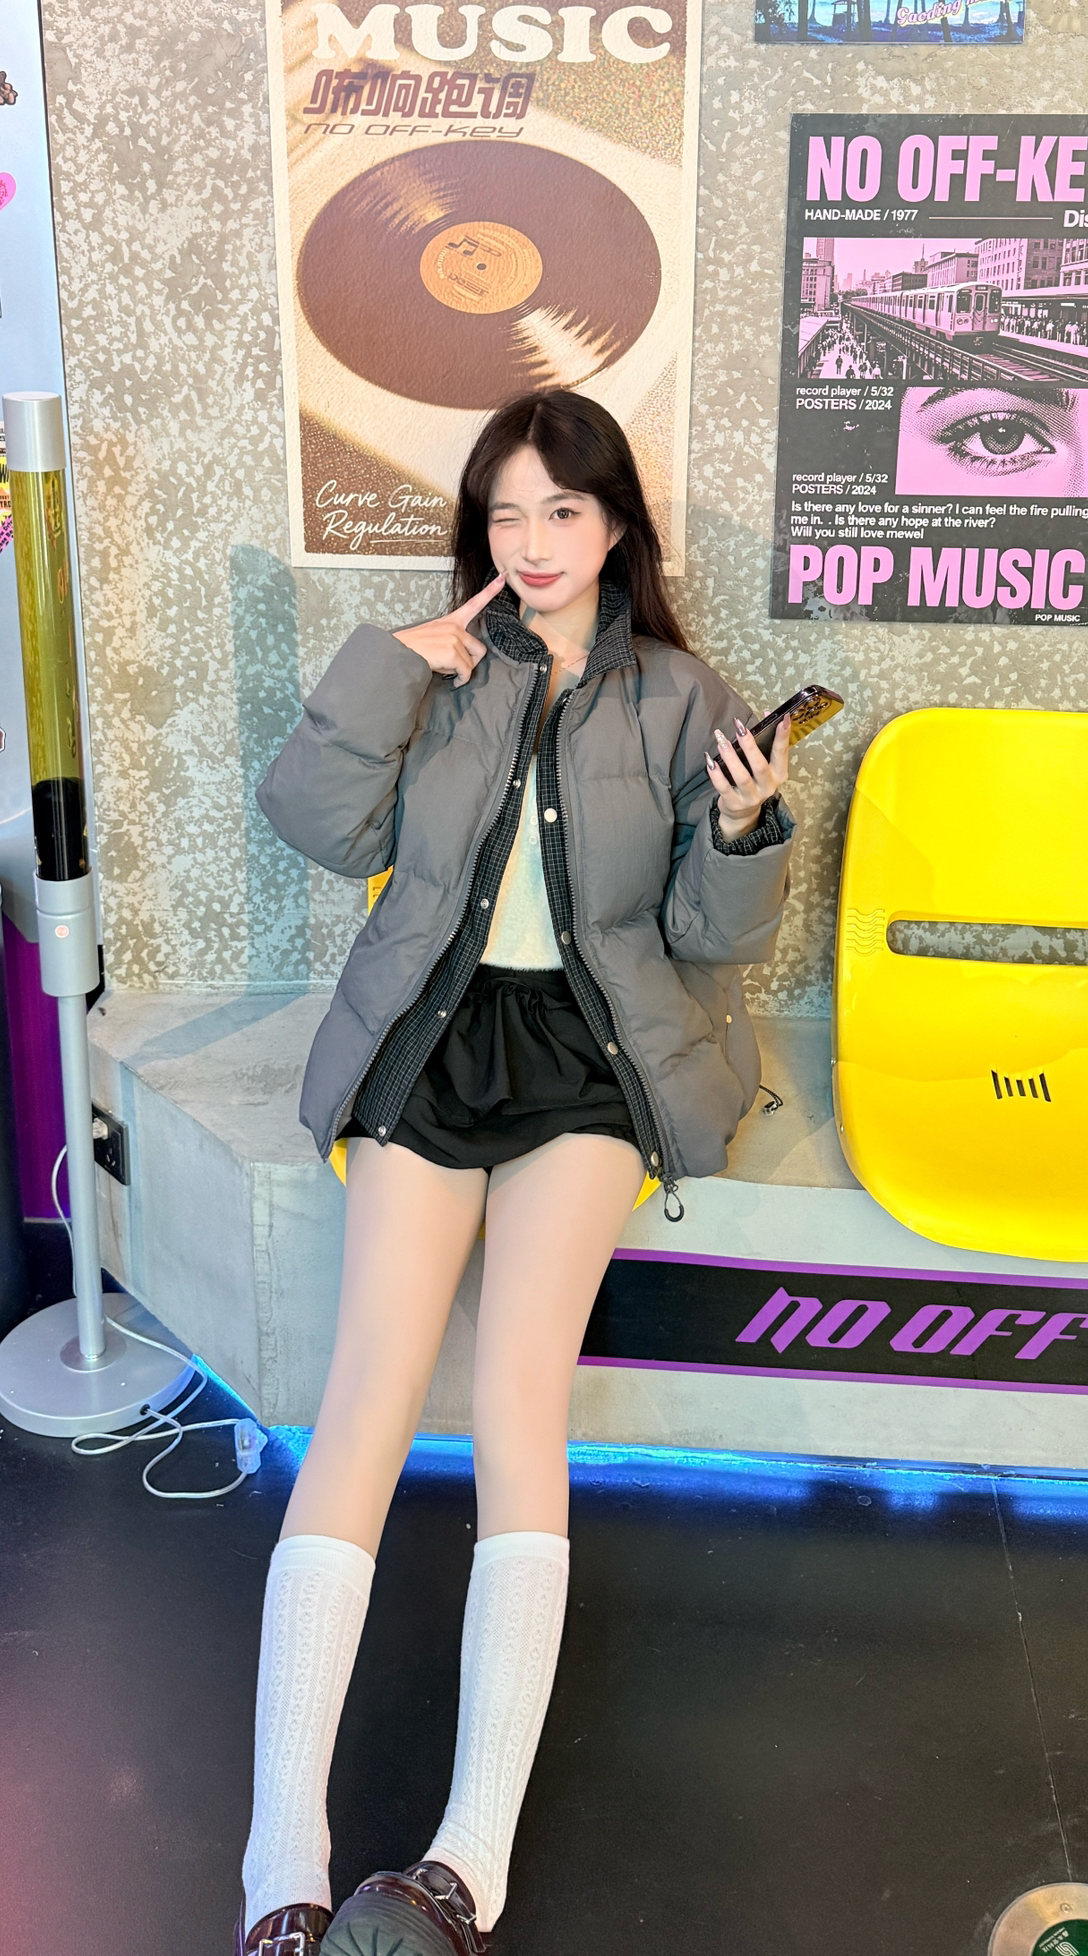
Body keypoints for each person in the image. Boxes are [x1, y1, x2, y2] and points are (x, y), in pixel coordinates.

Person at [244, 389, 798, 1956]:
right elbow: (310, 825)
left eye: (563, 509)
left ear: (616, 526)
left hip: (591, 1055)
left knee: (514, 1398)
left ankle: (463, 1867)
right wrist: (388, 671)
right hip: (431, 1035)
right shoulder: (431, 668)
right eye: (506, 511)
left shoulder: (681, 694)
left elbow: (704, 939)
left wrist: (744, 832)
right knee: (366, 1393)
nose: (535, 540)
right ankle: (279, 1862)